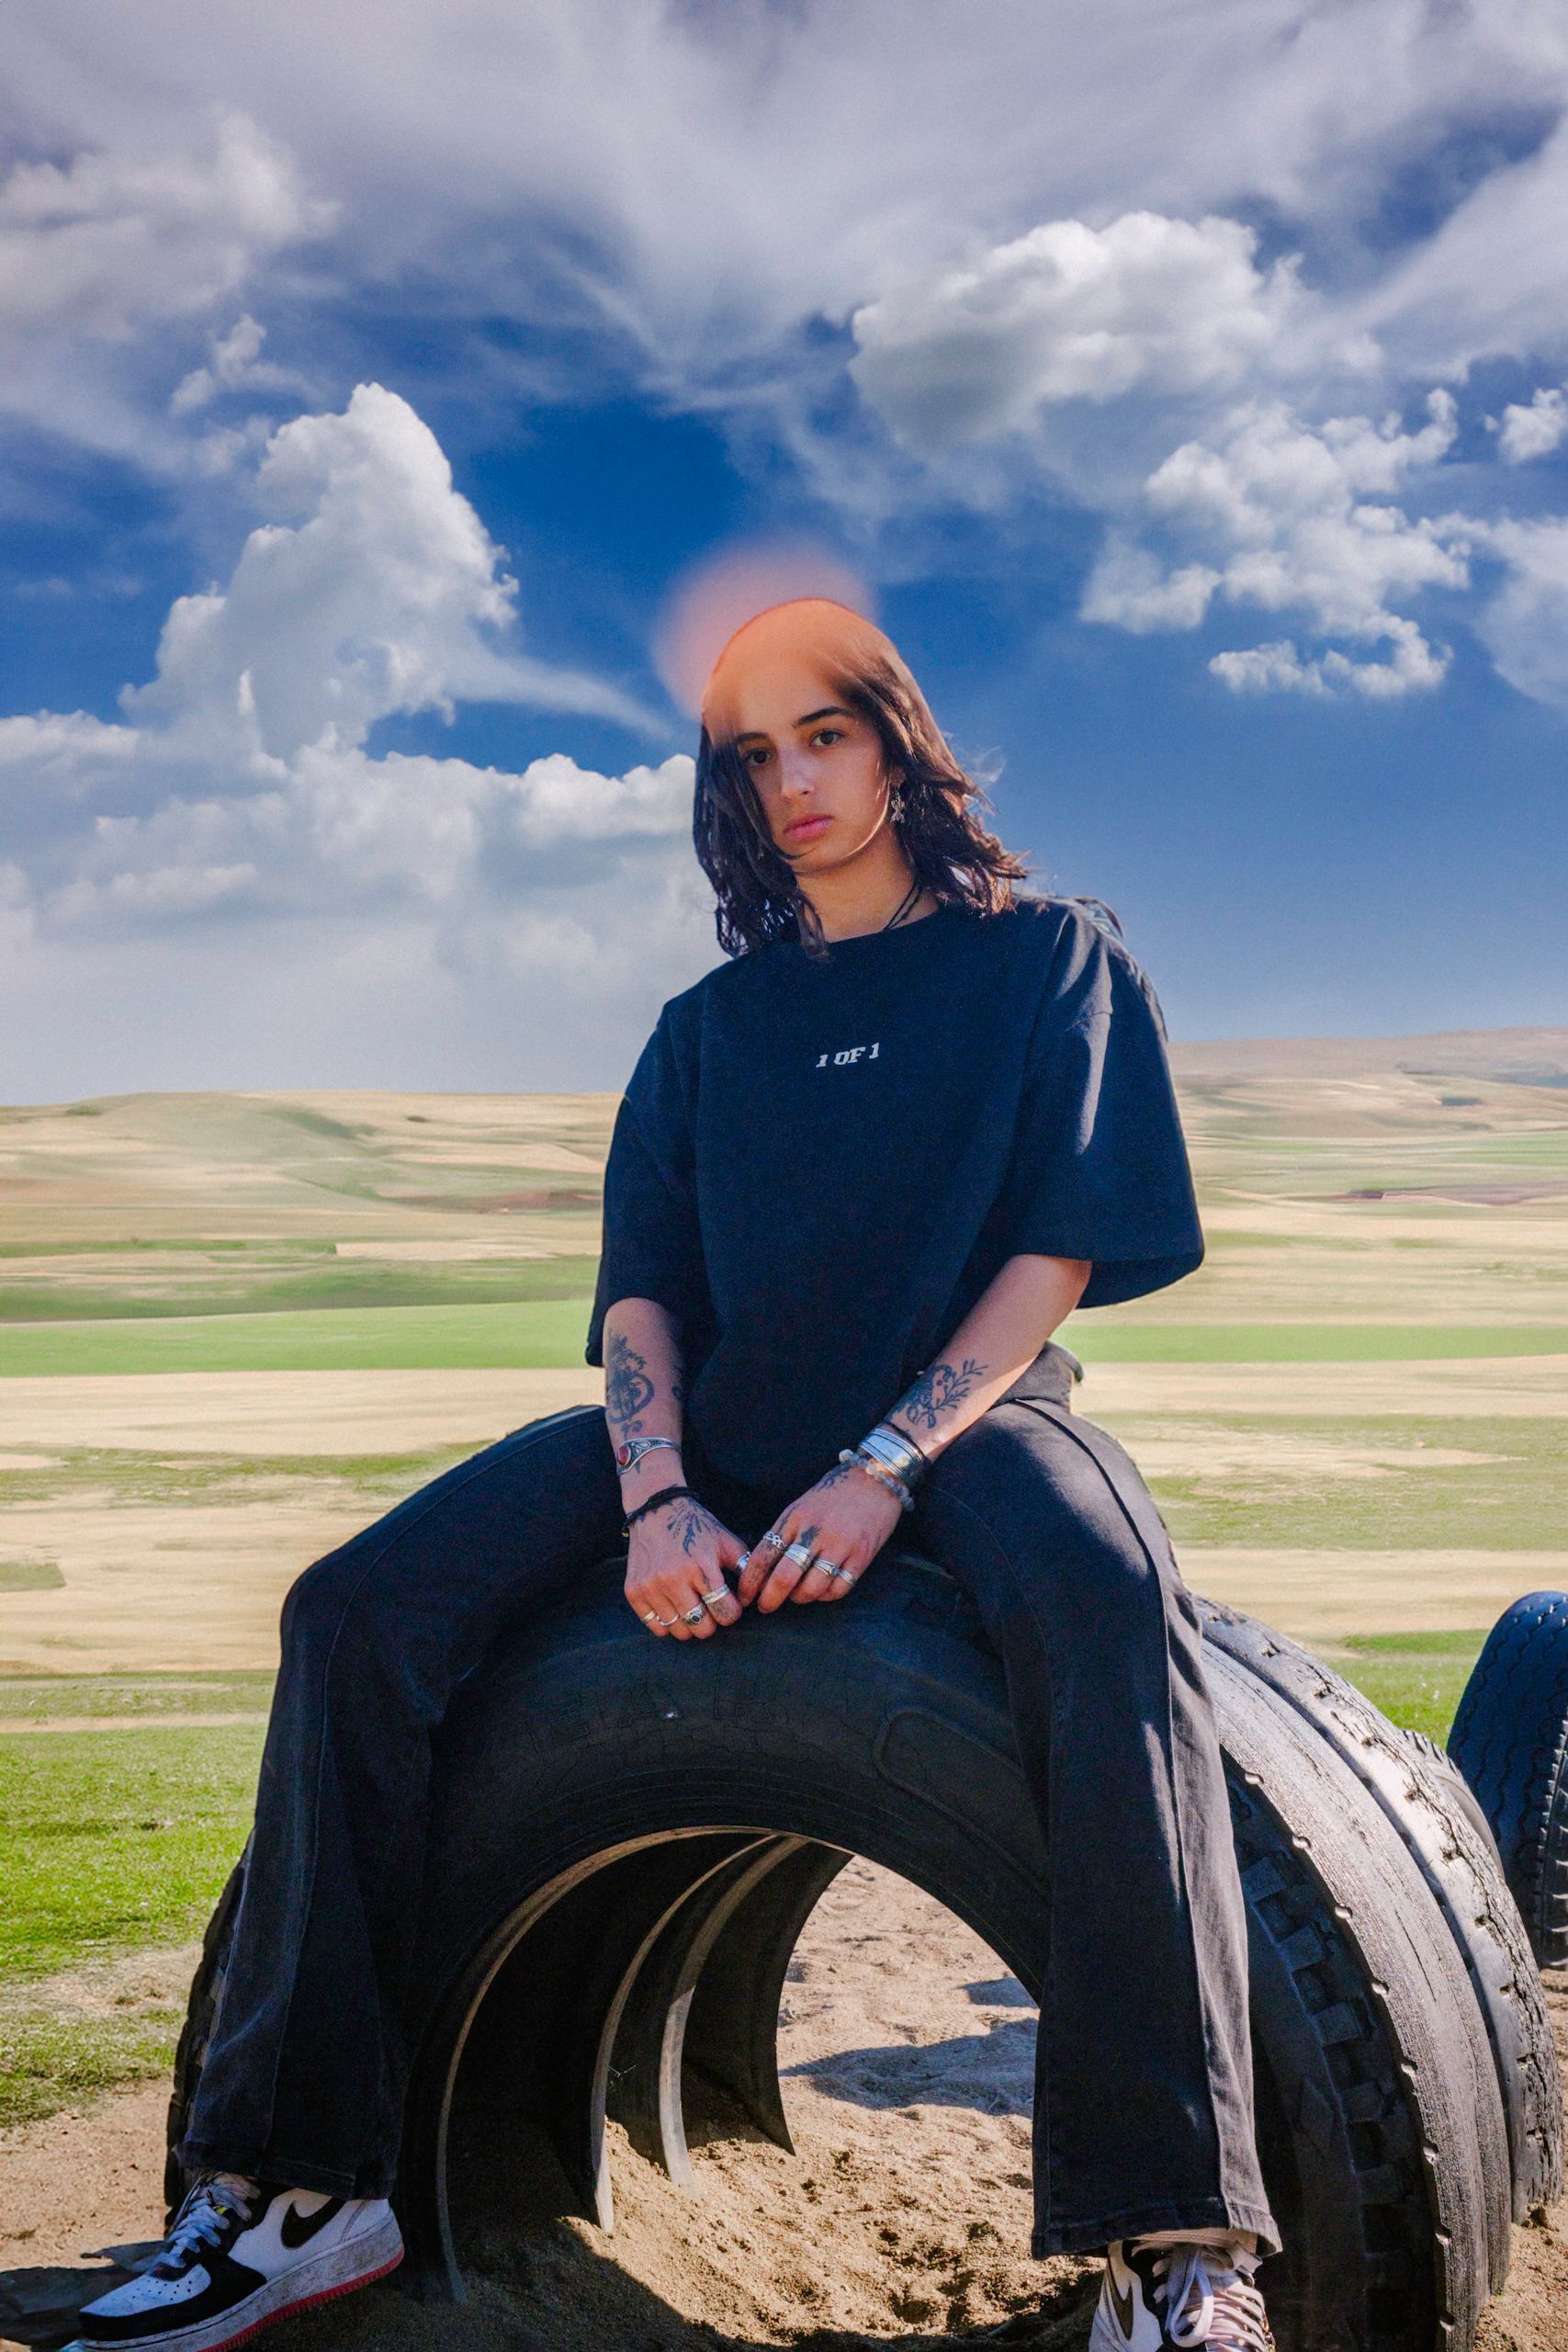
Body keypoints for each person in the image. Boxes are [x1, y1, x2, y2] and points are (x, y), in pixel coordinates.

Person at [77, 598, 1279, 2352]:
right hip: (708, 1438)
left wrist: (884, 1463)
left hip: (965, 1431)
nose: (793, 782)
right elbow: (642, 1295)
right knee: (351, 1613)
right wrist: (656, 1495)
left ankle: (1169, 2251)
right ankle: (297, 2198)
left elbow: (1051, 1259)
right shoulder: (705, 1031)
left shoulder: (1046, 961)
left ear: (897, 738)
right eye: (752, 755)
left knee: (1108, 1597)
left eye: (825, 735)